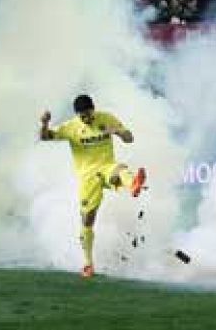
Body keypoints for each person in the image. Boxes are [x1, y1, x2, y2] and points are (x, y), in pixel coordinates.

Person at [39, 94, 147, 278]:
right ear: (77, 115)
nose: (86, 119)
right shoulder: (71, 127)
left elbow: (130, 138)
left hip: (106, 166)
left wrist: (116, 131)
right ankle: (88, 264)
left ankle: (134, 184)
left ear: (93, 109)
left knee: (119, 171)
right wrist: (44, 124)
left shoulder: (106, 118)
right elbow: (46, 137)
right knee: (87, 220)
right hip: (88, 177)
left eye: (88, 114)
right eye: (83, 116)